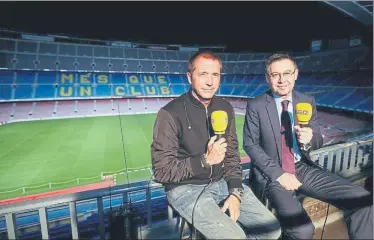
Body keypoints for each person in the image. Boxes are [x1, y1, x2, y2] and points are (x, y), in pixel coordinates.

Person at [151, 51, 281, 239]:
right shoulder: (169, 114)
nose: (210, 82)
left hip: (221, 182)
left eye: (215, 75)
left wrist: (235, 192)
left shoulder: (225, 108)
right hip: (185, 189)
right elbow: (162, 172)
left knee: (272, 230)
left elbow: (232, 156)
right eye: (203, 74)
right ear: (190, 77)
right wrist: (204, 160)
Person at [243, 53, 373, 239]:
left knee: (363, 200)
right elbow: (250, 144)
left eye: (287, 73)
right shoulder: (256, 105)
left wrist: (309, 139)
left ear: (296, 74)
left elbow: (318, 140)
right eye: (275, 75)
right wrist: (279, 175)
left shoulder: (307, 101)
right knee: (302, 231)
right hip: (272, 174)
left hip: (302, 167)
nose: (282, 80)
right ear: (267, 78)